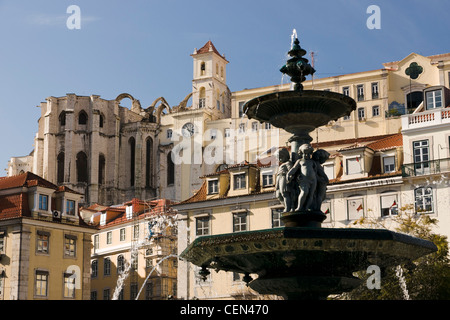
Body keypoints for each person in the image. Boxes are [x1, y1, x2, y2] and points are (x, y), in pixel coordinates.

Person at [288, 144, 317, 212]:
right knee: (304, 192)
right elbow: (294, 168)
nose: (306, 155)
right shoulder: (300, 161)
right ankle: (299, 207)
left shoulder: (312, 162)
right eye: (305, 154)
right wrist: (288, 174)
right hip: (304, 180)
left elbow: (315, 170)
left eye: (308, 154)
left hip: (313, 180)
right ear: (301, 153)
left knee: (311, 194)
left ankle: (307, 207)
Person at [275, 148, 295, 213]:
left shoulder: (288, 162)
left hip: (283, 177)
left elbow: (291, 170)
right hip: (279, 178)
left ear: (285, 155)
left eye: (280, 157)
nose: (279, 159)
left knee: (285, 193)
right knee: (278, 194)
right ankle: (286, 206)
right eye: (278, 158)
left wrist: (290, 177)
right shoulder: (282, 164)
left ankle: (288, 208)